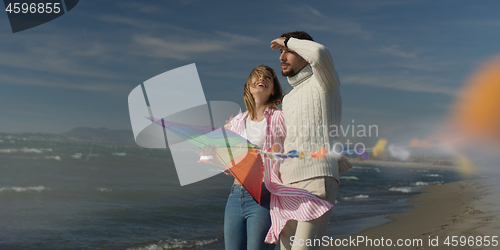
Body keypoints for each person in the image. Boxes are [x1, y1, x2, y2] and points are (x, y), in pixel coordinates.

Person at [270, 31, 343, 249]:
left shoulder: (324, 82)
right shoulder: (289, 98)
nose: (282, 57)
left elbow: (320, 53)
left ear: (303, 52)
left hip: (316, 179)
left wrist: (288, 41)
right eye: (281, 52)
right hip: (287, 185)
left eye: (289, 51)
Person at [220, 65, 284, 250]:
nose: (261, 79)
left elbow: (294, 149)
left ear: (273, 90)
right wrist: (214, 153)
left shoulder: (280, 118)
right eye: (256, 77)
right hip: (235, 195)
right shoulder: (236, 122)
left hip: (264, 196)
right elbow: (228, 164)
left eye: (267, 78)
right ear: (248, 86)